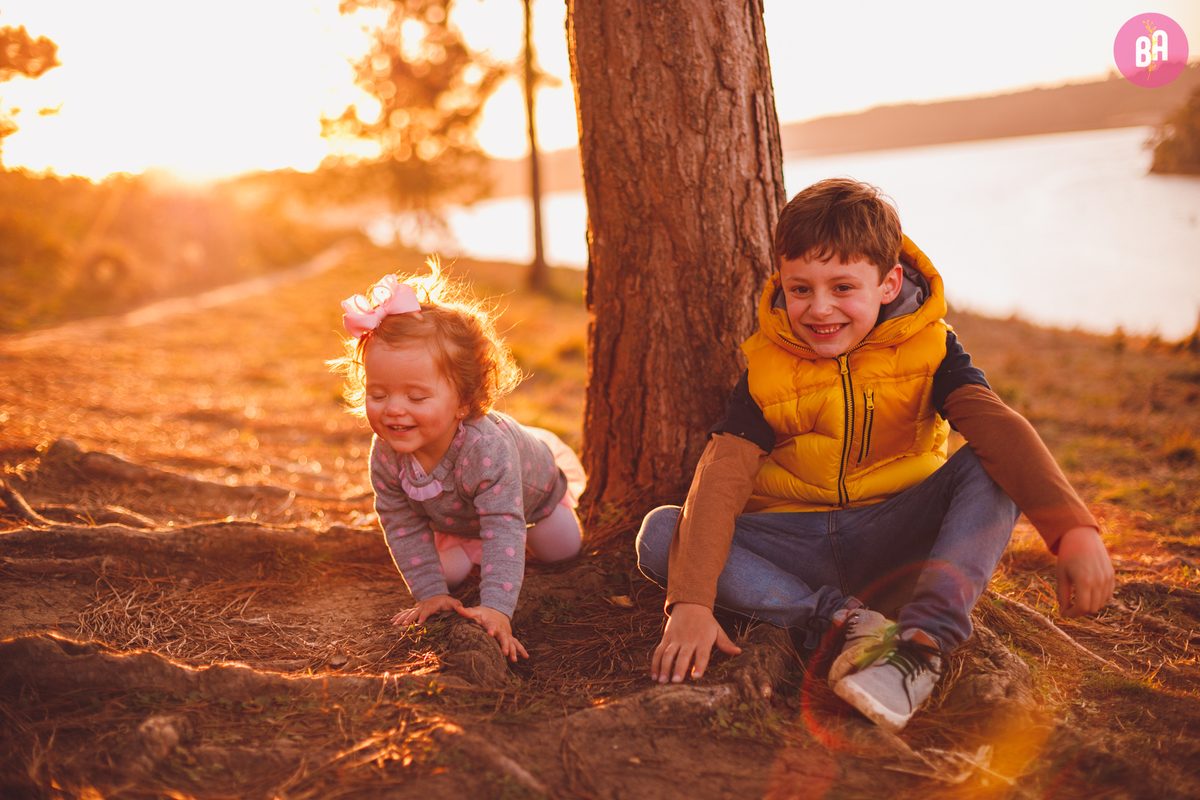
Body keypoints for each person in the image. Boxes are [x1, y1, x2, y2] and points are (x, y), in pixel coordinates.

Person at [636, 178, 1114, 732]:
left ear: (888, 283)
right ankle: (845, 621)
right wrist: (692, 602)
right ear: (781, 285)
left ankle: (919, 648)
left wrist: (1073, 529)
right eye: (800, 290)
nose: (819, 309)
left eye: (842, 287)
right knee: (661, 533)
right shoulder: (767, 367)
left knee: (990, 463)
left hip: (896, 538)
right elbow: (720, 477)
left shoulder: (932, 348)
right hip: (796, 545)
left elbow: (998, 428)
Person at [330, 262, 586, 662]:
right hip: (455, 514)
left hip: (533, 499)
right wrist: (430, 593)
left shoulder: (486, 450)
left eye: (416, 398)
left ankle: (494, 528)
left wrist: (498, 609)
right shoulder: (386, 454)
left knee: (562, 551)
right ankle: (467, 544)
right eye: (378, 394)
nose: (394, 411)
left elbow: (505, 524)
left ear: (464, 401)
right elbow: (400, 521)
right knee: (444, 574)